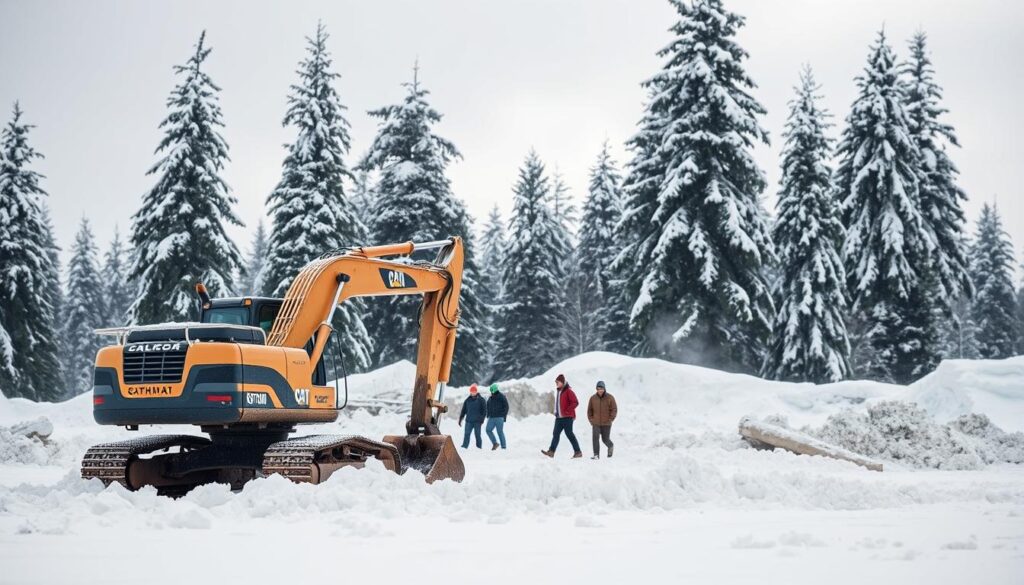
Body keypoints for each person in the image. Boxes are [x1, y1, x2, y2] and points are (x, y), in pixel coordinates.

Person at [541, 374, 582, 458]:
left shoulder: (568, 391)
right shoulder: (559, 391)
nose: (556, 383)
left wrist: (567, 410)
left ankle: (578, 452)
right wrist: (556, 412)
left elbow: (575, 402)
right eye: (556, 382)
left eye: (557, 382)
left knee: (569, 434)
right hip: (559, 418)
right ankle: (551, 452)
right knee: (555, 434)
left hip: (567, 417)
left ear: (562, 382)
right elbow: (559, 404)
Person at [587, 380, 617, 459]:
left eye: (601, 388)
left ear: (604, 389)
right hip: (596, 423)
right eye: (598, 388)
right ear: (596, 389)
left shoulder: (610, 397)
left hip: (606, 423)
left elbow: (614, 409)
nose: (600, 390)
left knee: (605, 439)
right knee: (595, 438)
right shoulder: (593, 398)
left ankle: (610, 446)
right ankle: (596, 455)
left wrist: (611, 419)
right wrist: (591, 420)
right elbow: (589, 410)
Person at [458, 384, 487, 449]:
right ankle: (464, 446)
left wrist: (482, 419)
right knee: (467, 434)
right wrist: (460, 419)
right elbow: (463, 410)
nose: (473, 393)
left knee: (477, 435)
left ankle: (479, 447)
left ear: (476, 392)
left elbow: (484, 411)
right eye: (472, 392)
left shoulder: (481, 400)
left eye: (474, 391)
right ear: (470, 392)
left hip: (477, 421)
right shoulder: (467, 400)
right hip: (469, 421)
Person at [485, 383, 509, 450]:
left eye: (491, 389)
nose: (490, 390)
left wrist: (503, 416)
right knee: (488, 430)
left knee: (500, 432)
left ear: (494, 389)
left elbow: (506, 407)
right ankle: (495, 443)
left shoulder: (502, 396)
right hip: (491, 417)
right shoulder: (490, 398)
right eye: (490, 389)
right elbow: (488, 406)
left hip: (499, 417)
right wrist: (488, 415)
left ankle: (503, 447)